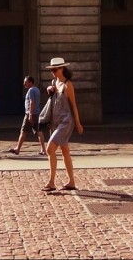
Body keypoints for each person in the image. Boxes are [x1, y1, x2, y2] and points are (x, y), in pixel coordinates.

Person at [41, 57, 83, 192]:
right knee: (65, 151)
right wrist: (50, 90)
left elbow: (74, 105)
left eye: (55, 69)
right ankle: (71, 182)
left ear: (62, 68)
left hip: (66, 122)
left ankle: (51, 182)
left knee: (49, 149)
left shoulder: (67, 85)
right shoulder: (54, 82)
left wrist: (78, 123)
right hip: (56, 121)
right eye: (51, 70)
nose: (52, 72)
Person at [9, 76, 46, 155]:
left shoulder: (31, 90)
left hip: (31, 113)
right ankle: (43, 149)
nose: (24, 83)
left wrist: (30, 114)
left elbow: (32, 102)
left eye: (26, 82)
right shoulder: (37, 89)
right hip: (36, 113)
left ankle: (17, 149)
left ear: (30, 82)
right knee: (39, 131)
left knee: (23, 131)